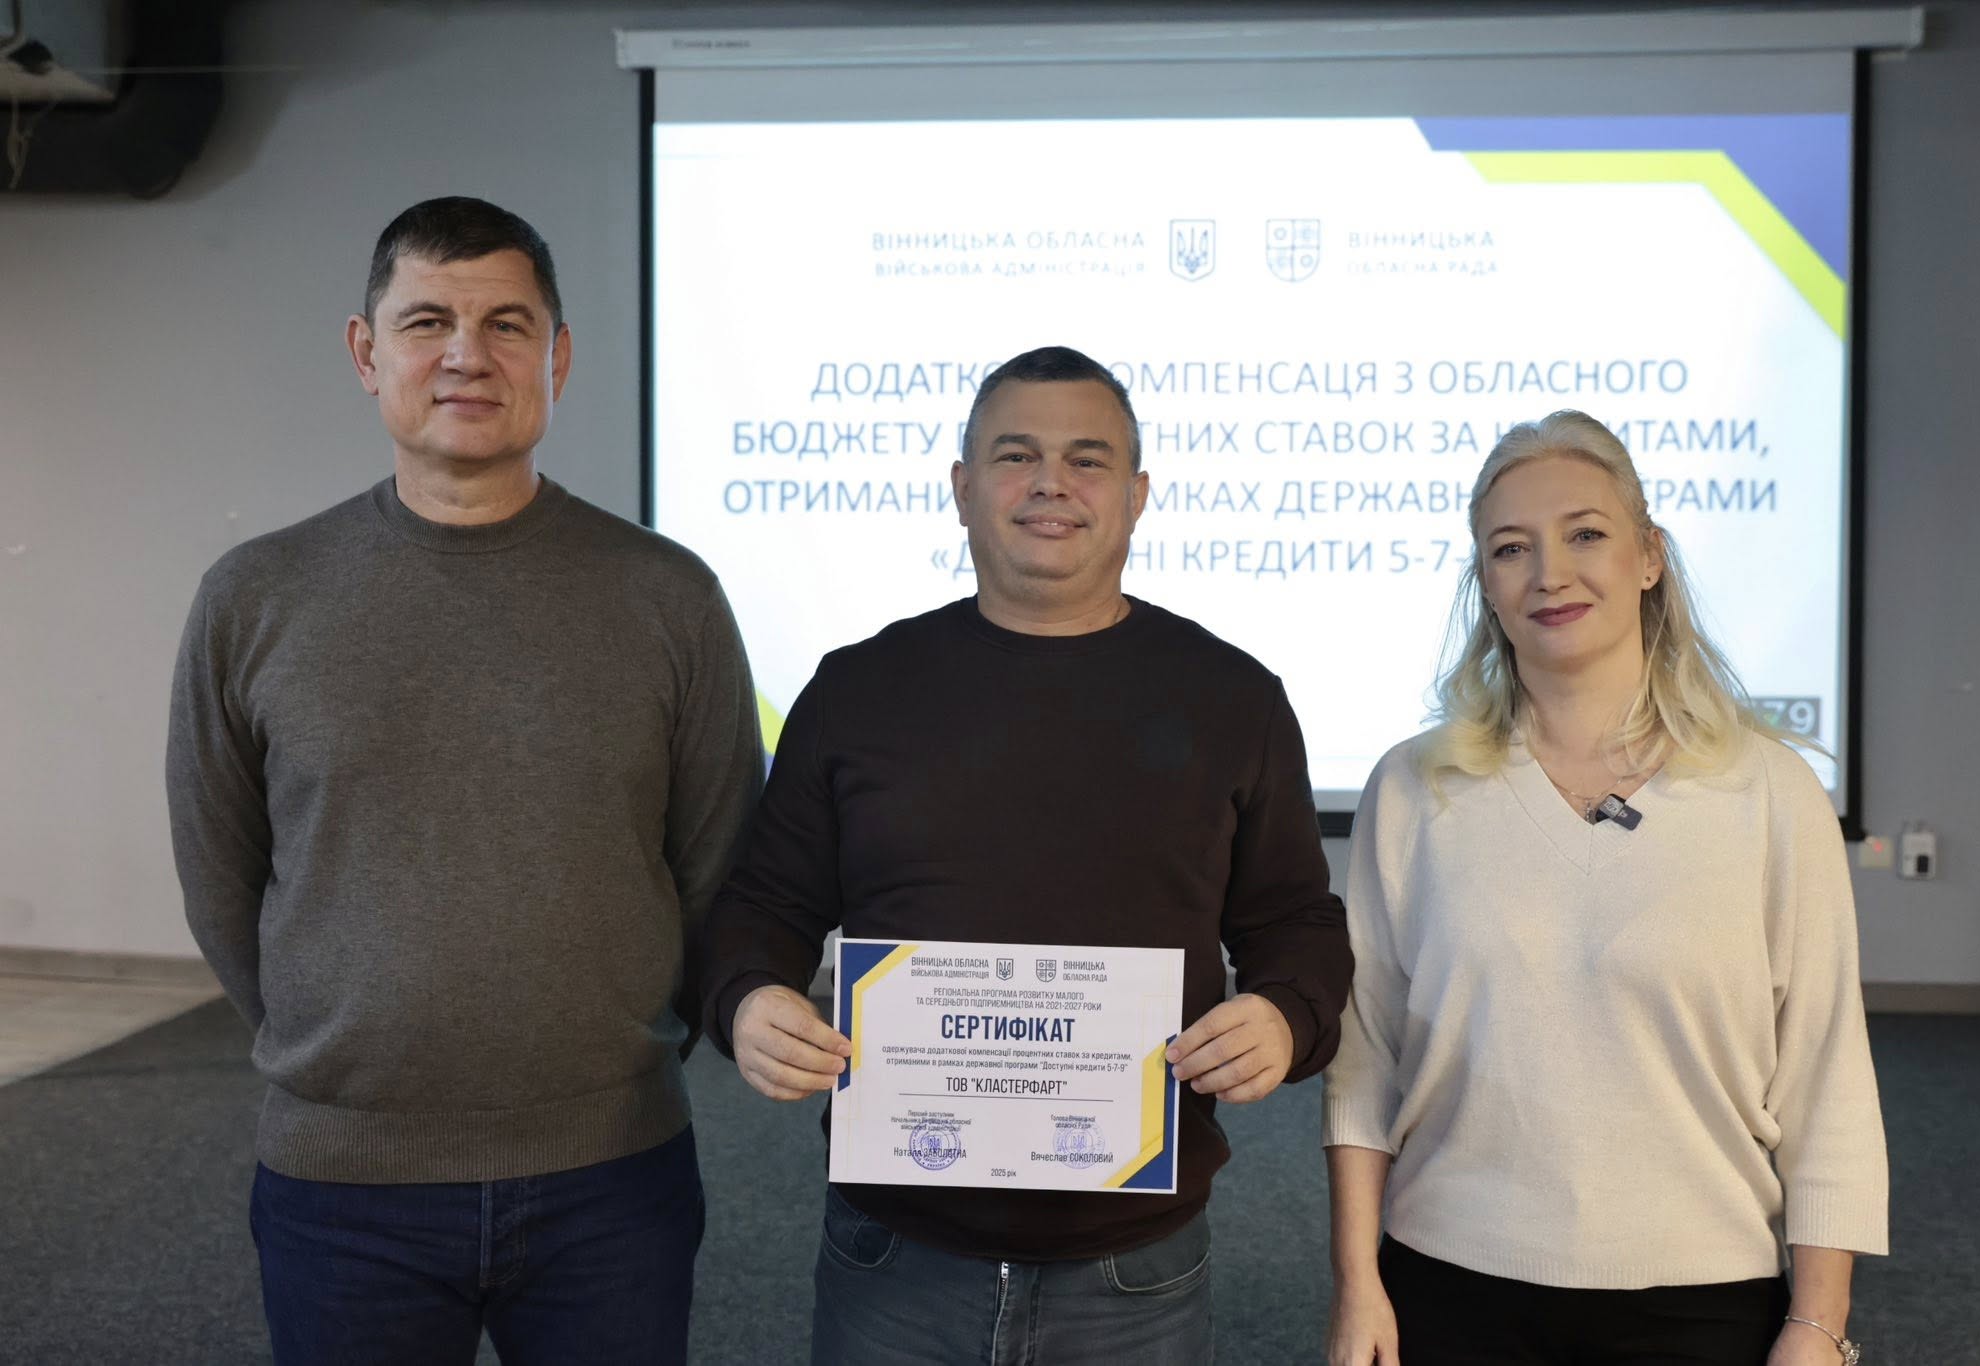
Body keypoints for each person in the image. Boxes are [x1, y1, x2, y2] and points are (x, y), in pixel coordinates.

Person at [165, 196, 762, 1365]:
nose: (465, 355)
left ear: (558, 356)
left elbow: (714, 863)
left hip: (612, 1176)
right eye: (427, 320)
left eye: (506, 324)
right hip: (343, 1184)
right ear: (366, 351)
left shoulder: (668, 597)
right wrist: (338, 1054)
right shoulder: (254, 596)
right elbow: (219, 877)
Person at [700, 345, 1353, 1365]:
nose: (1051, 482)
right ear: (962, 489)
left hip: (1133, 1264)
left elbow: (1295, 923)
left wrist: (1285, 1016)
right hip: (895, 1251)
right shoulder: (857, 690)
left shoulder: (1232, 698)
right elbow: (764, 904)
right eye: (1016, 456)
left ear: (1136, 496)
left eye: (1087, 459)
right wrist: (745, 998)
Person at [1322, 410, 1888, 1366]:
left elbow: (1826, 1077)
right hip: (1448, 1283)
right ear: (1485, 584)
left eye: (1585, 533)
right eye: (1511, 548)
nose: (1550, 573)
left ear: (1649, 557)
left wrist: (1818, 1323)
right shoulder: (1415, 789)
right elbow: (1364, 1059)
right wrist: (1356, 1285)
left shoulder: (1769, 793)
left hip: (1705, 1298)